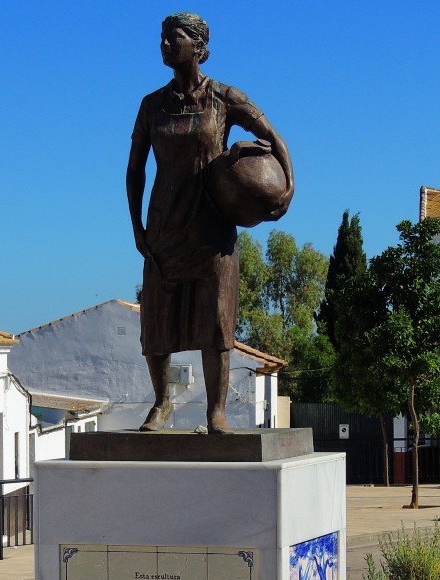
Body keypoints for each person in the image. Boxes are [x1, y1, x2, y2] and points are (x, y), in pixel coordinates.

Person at [126, 12, 293, 434]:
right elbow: (135, 170)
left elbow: (273, 136)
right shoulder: (151, 105)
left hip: (212, 227)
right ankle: (162, 403)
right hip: (164, 223)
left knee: (216, 321)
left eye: (174, 37)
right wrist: (136, 225)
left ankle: (215, 412)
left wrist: (287, 187)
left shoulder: (224, 97)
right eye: (162, 37)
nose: (165, 44)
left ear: (199, 47)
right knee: (157, 321)